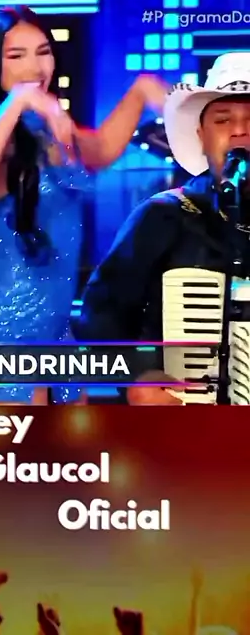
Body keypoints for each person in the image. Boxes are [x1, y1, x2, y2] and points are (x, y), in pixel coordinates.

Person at [0, 5, 168, 403]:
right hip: (3, 332)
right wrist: (20, 100)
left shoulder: (48, 129)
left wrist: (140, 92)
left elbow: (100, 150)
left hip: (55, 335)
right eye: (16, 55)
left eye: (43, 52)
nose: (35, 67)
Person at [75, 51, 250, 405]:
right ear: (202, 136)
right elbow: (99, 319)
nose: (239, 131)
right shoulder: (164, 216)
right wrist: (135, 378)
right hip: (188, 424)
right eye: (222, 120)